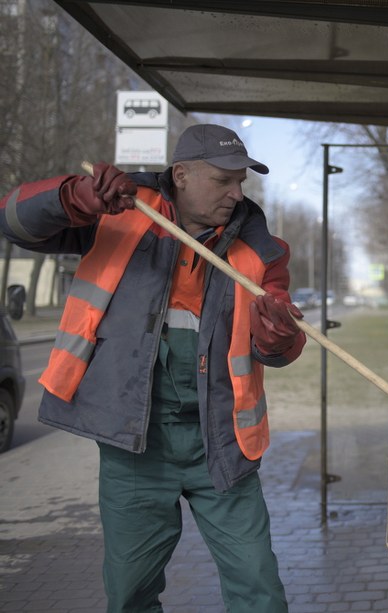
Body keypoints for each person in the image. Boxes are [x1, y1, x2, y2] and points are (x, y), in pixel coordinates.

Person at [0, 124, 306, 612]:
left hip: (221, 446)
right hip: (134, 448)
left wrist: (281, 336)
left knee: (260, 590)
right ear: (180, 175)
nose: (236, 193)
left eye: (240, 181)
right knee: (130, 595)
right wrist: (73, 197)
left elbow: (279, 350)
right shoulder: (119, 211)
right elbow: (13, 221)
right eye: (223, 180)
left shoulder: (263, 251)